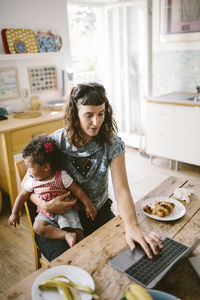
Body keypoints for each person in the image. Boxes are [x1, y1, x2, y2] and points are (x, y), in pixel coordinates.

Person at [28, 82, 163, 261]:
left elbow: (121, 189)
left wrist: (132, 226)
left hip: (98, 214)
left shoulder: (112, 144)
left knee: (128, 257)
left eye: (101, 114)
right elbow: (27, 183)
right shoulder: (54, 143)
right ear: (74, 114)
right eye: (89, 115)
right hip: (58, 222)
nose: (96, 122)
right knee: (74, 266)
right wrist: (44, 205)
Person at [8, 135, 96, 247]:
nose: (28, 171)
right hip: (46, 214)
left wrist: (88, 205)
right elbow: (22, 195)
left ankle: (83, 247)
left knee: (77, 231)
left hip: (66, 211)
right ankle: (65, 235)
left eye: (30, 167)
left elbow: (77, 190)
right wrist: (14, 213)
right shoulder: (32, 181)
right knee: (38, 227)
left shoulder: (61, 176)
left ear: (46, 167)